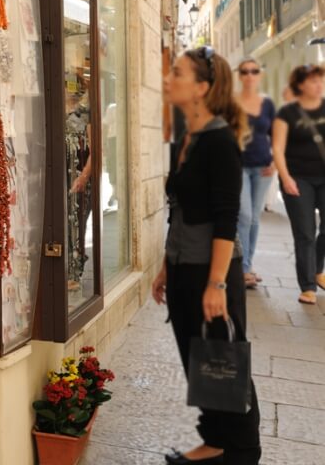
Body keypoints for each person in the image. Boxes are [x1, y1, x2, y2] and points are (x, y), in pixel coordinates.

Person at [153, 46, 261, 464]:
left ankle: (241, 449)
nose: (168, 79)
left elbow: (225, 219)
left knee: (224, 356)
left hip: (210, 272)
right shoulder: (188, 139)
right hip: (183, 267)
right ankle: (214, 440)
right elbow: (179, 212)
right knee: (199, 358)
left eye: (176, 73)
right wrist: (166, 267)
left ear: (201, 88)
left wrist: (216, 284)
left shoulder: (218, 142)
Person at [272, 64, 325, 305]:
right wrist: (286, 178)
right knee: (305, 232)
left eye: (321, 80)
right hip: (298, 179)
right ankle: (308, 286)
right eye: (313, 81)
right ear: (301, 84)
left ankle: (317, 270)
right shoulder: (287, 113)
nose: (319, 84)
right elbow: (278, 149)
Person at [235, 58, 276, 288]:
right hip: (238, 165)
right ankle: (241, 268)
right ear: (240, 75)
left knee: (254, 218)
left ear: (259, 75)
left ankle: (247, 265)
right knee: (245, 215)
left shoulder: (267, 104)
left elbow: (277, 136)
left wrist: (277, 164)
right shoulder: (231, 102)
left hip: (264, 167)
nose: (250, 75)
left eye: (254, 71)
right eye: (245, 71)